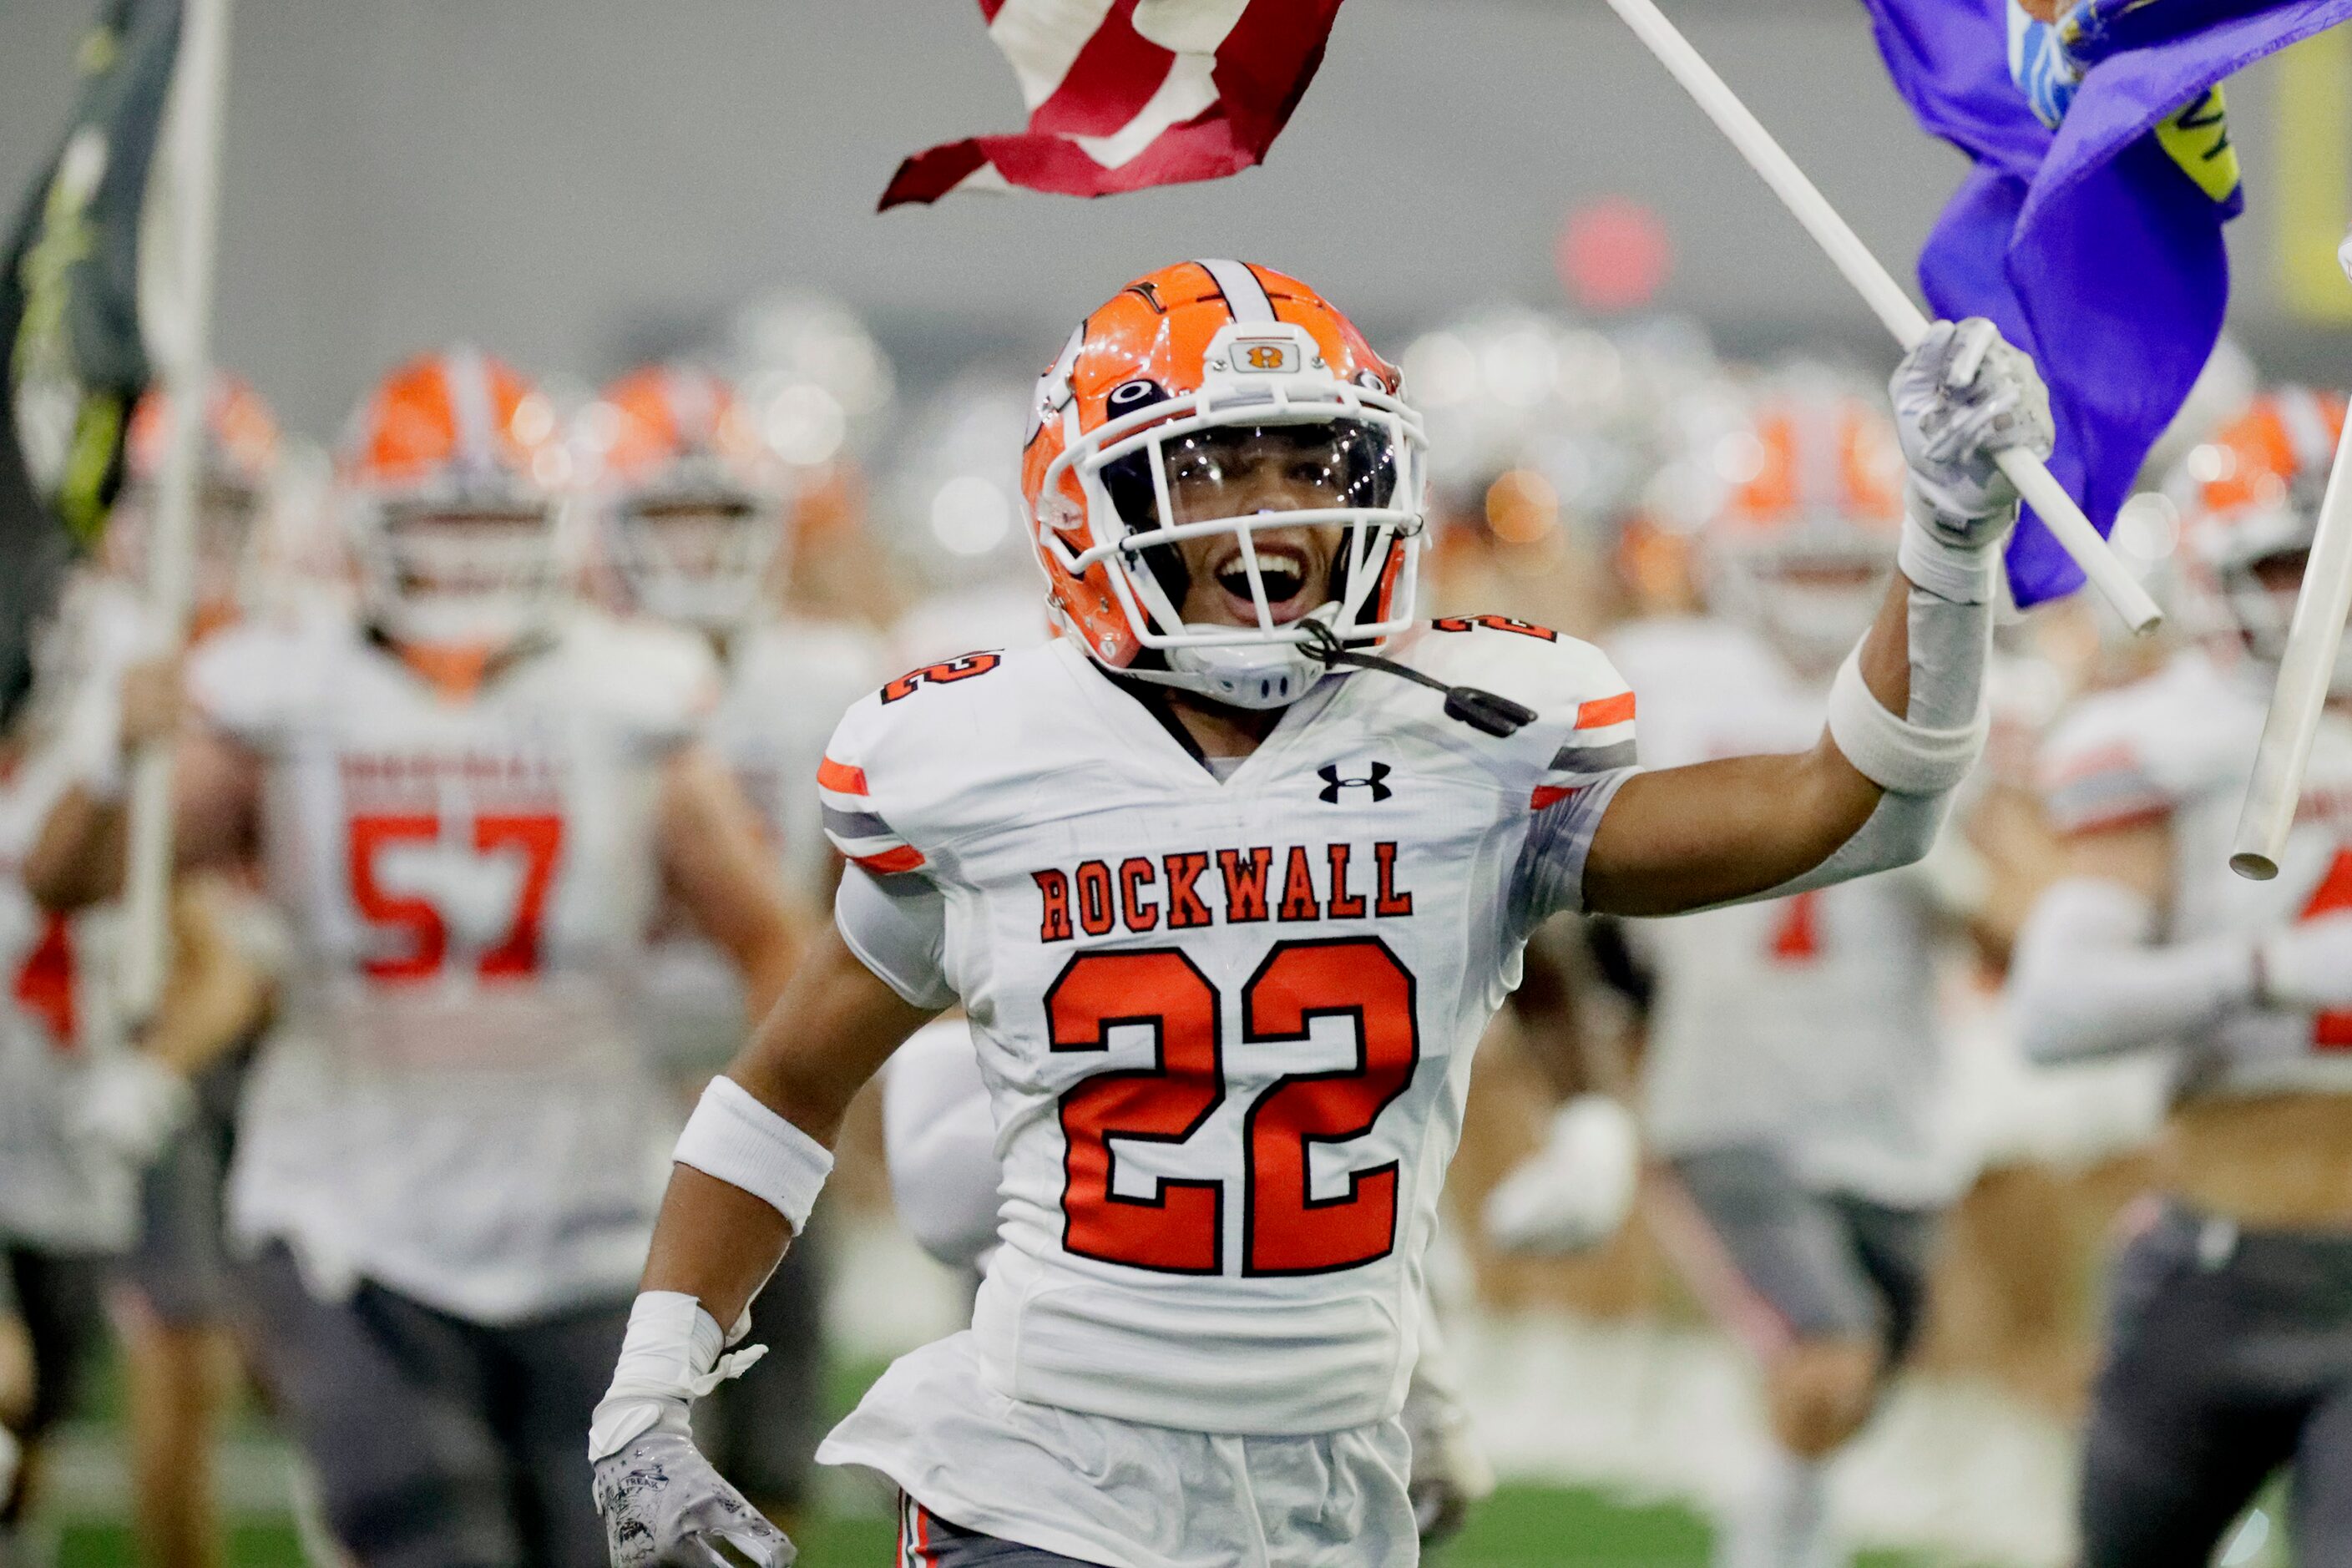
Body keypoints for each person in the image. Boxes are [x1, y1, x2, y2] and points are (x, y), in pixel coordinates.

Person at [587, 260, 2048, 1568]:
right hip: (1043, 1478)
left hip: (1326, 1491)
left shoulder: (1470, 742)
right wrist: (653, 1388)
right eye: (1218, 468)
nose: (1279, 509)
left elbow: (1849, 805)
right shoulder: (982, 758)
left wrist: (1946, 536)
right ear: (1087, 502)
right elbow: (788, 1079)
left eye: (1312, 461)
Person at [29, 347, 800, 1568]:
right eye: (439, 528)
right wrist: (113, 755)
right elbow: (68, 876)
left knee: (606, 1549)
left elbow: (772, 941)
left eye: (494, 527)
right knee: (427, 1538)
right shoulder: (288, 690)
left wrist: (771, 1138)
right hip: (356, 1215)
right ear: (367, 528)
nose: (469, 564)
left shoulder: (627, 694)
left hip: (590, 1211)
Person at [1576, 371, 1980, 1568]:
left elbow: (2020, 905)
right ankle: (1774, 1543)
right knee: (1829, 1353)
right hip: (1725, 1093)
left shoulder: (1947, 675)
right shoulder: (1659, 675)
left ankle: (1782, 1508)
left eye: (1837, 560)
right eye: (1790, 560)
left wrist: (1961, 876)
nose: (1814, 590)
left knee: (1853, 1382)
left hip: (1894, 1106)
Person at [2011, 386, 2352, 1568]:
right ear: (2217, 568)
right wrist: (2271, 969)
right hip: (2220, 1256)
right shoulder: (2167, 736)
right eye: (2291, 562)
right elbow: (2050, 1012)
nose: (2327, 596)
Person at [578, 362, 888, 1532]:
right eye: (669, 513)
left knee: (772, 1425)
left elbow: (845, 906)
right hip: (595, 1079)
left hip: (761, 1075)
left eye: (722, 514)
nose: (698, 544)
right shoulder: (569, 675)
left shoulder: (825, 673)